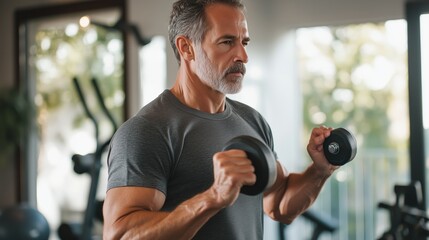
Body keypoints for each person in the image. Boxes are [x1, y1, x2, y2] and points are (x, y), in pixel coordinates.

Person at [102, 0, 338, 239]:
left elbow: (278, 204)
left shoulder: (252, 121)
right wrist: (213, 198)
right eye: (227, 42)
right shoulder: (148, 130)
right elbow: (120, 234)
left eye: (244, 42)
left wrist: (319, 171)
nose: (243, 56)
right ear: (186, 48)